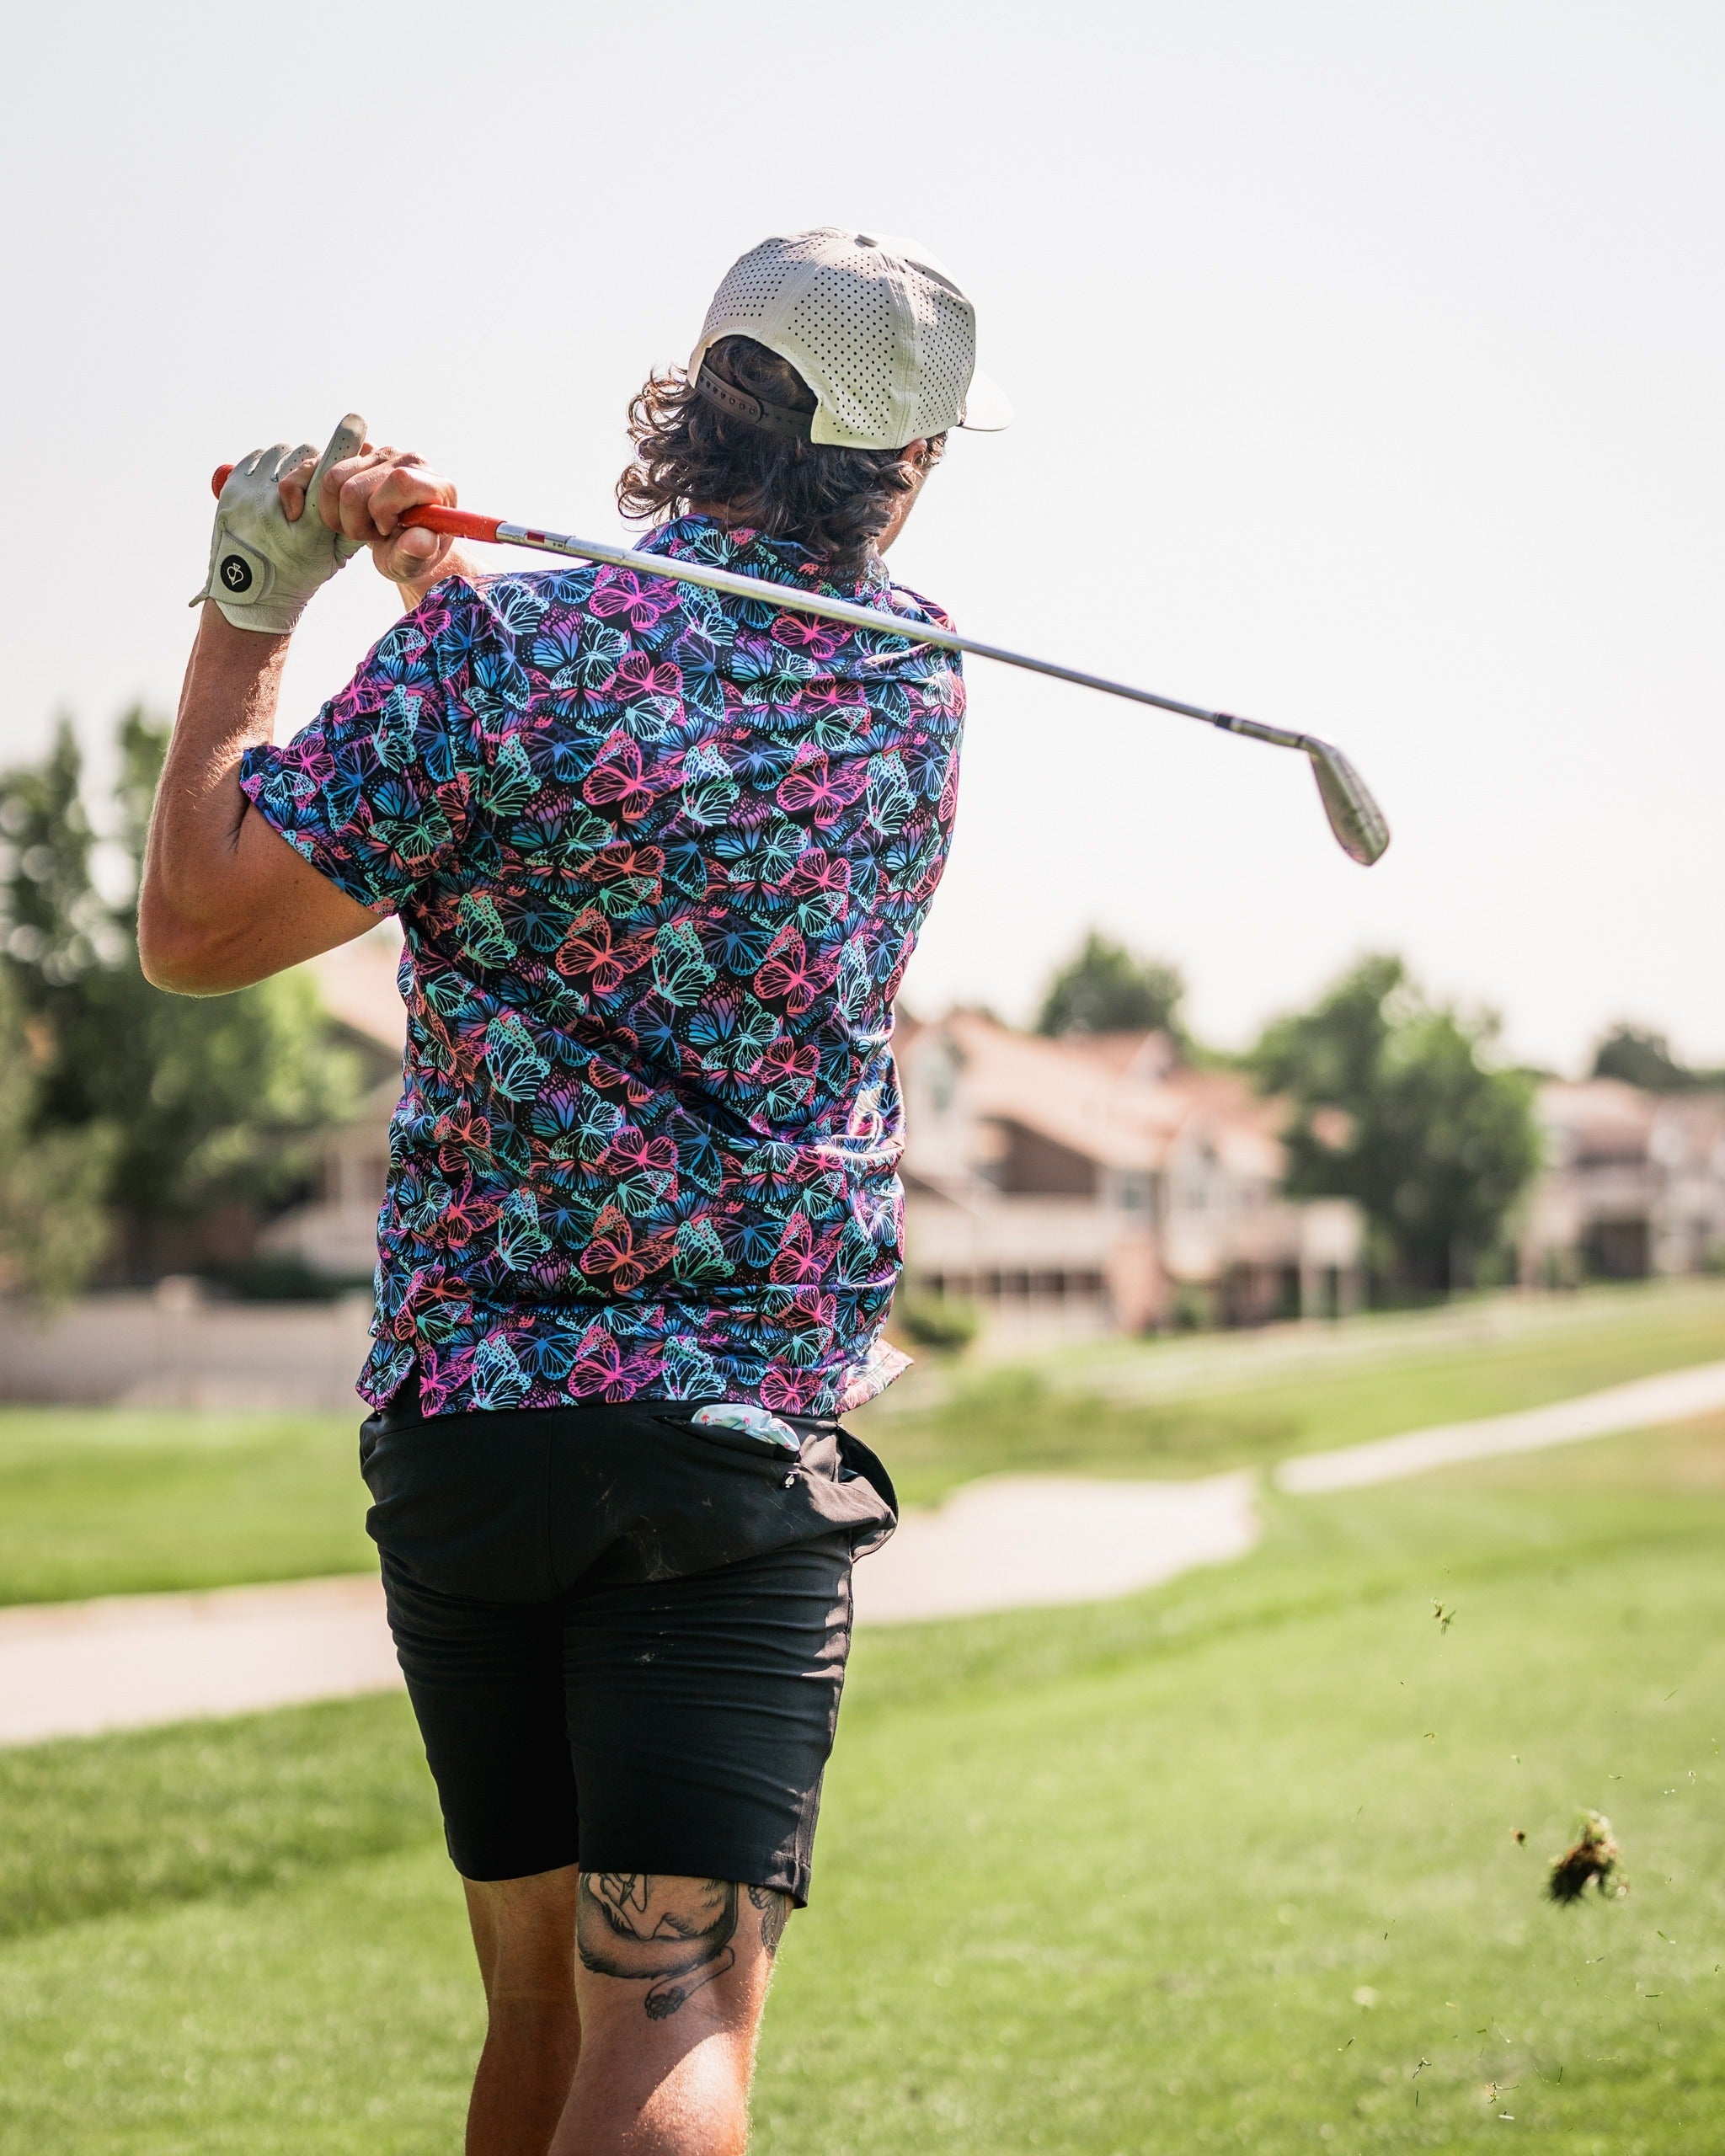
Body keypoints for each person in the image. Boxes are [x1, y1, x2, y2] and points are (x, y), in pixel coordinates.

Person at [140, 229, 1007, 2155]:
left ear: (695, 395)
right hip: (721, 1443)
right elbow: (649, 755)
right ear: (905, 464)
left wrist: (255, 606)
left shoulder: (502, 657)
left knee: (537, 2015)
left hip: (472, 1444)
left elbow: (198, 921)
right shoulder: (916, 680)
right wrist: (444, 594)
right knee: (670, 2015)